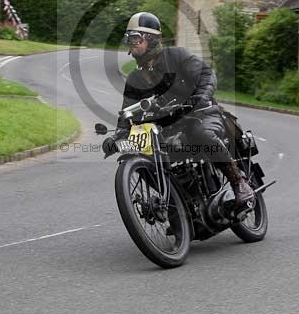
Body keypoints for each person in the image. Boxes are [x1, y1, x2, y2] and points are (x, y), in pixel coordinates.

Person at [104, 12, 255, 207]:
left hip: (201, 114)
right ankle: (178, 206)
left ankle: (239, 183)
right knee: (143, 156)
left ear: (150, 39)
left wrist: (200, 96)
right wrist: (117, 136)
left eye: (136, 38)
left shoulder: (176, 56)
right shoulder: (135, 78)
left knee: (201, 133)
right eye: (130, 38)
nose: (131, 43)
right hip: (168, 128)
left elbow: (206, 75)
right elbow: (127, 112)